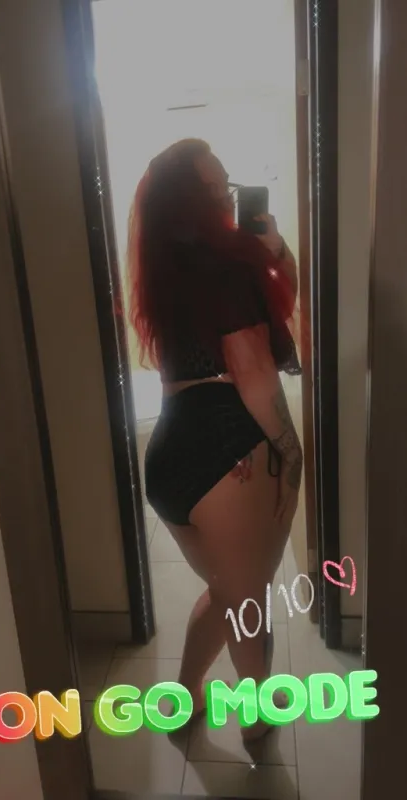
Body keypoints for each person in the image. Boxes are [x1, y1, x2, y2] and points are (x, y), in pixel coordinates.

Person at [128, 138, 303, 743]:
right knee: (248, 602)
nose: (228, 198)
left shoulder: (170, 269)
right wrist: (292, 453)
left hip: (170, 452)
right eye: (216, 188)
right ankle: (258, 721)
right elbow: (253, 373)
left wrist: (274, 248)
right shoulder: (228, 268)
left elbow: (280, 298)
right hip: (229, 450)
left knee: (228, 590)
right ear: (191, 200)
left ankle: (185, 694)